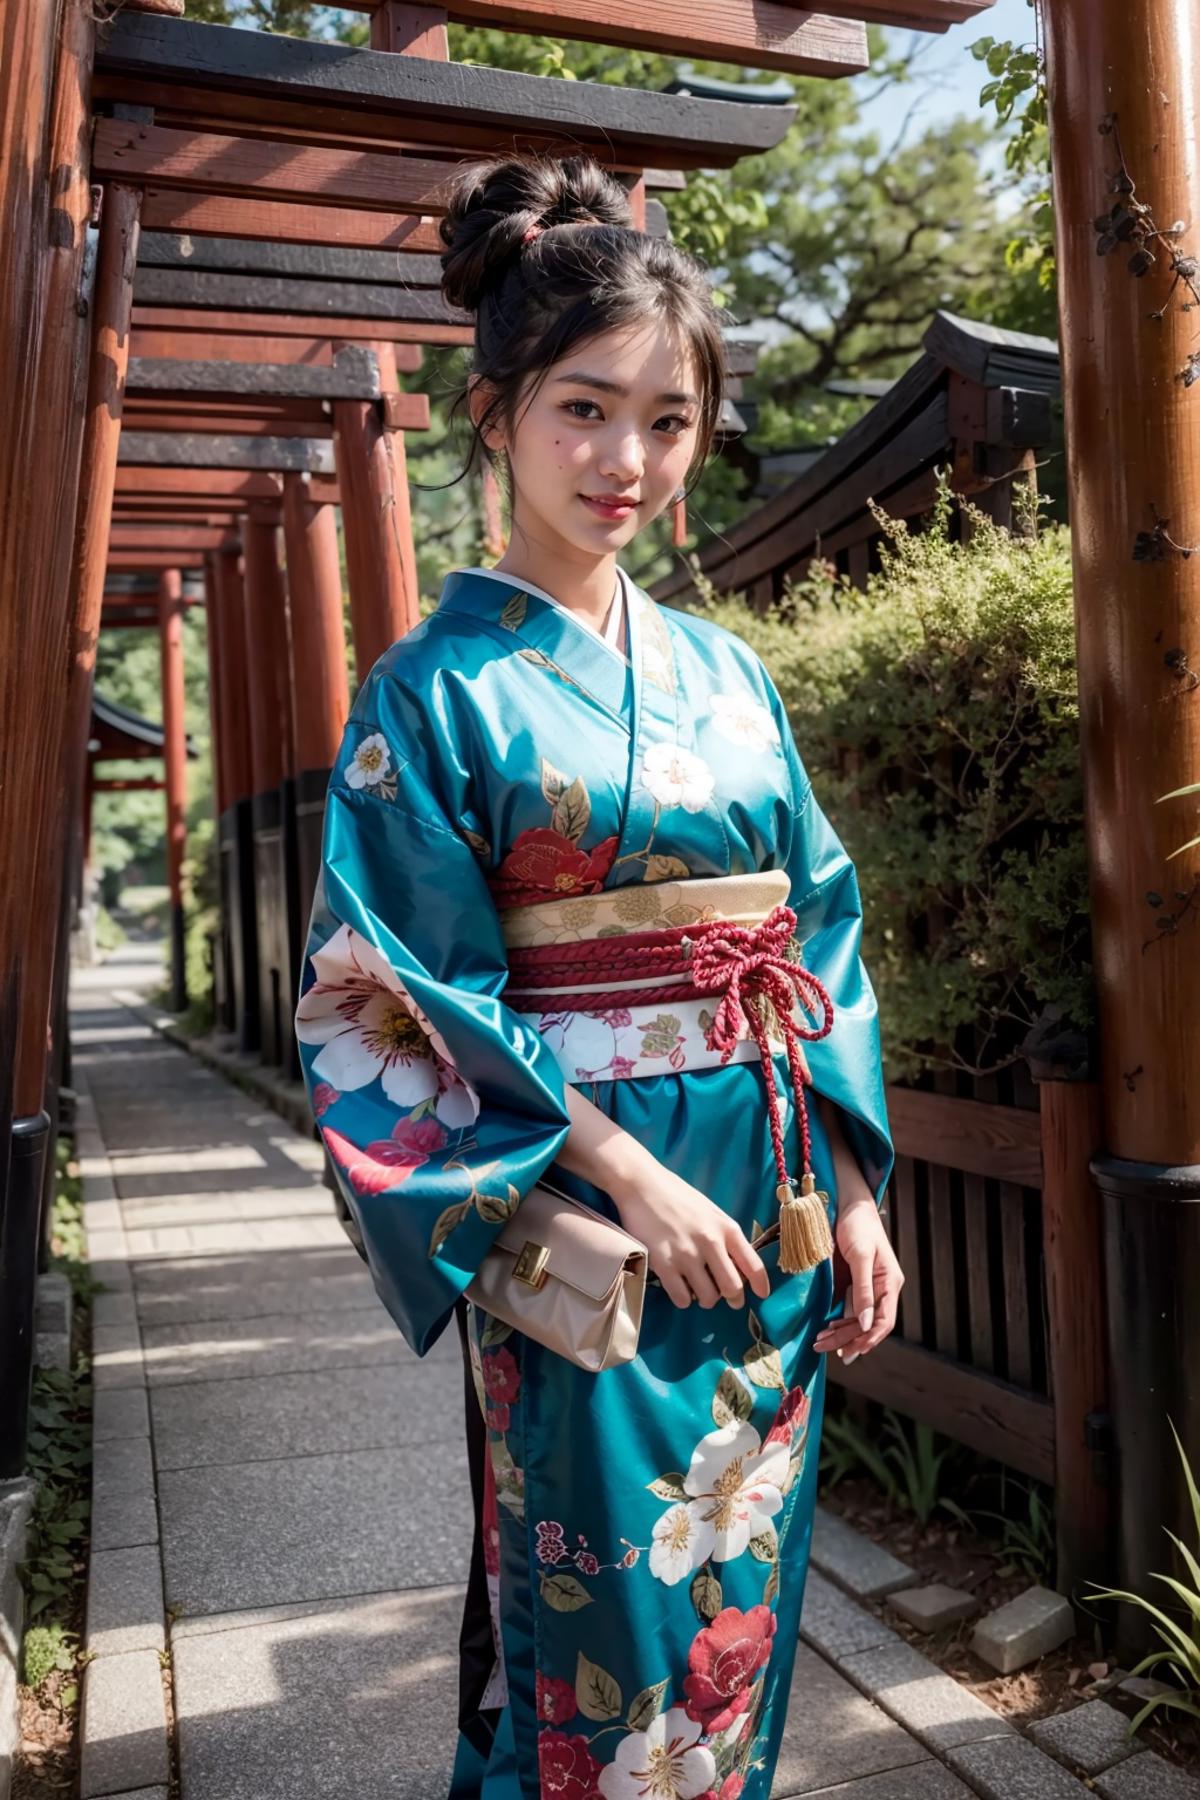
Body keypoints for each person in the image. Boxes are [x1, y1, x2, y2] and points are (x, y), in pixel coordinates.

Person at [295, 150, 901, 1800]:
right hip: (592, 1211)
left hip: (765, 1199)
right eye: (583, 408)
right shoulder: (432, 694)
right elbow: (388, 988)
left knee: (739, 1604)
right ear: (494, 413)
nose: (625, 459)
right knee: (603, 1624)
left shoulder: (725, 673)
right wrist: (619, 1178)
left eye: (667, 419)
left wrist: (852, 1185)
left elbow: (816, 928)